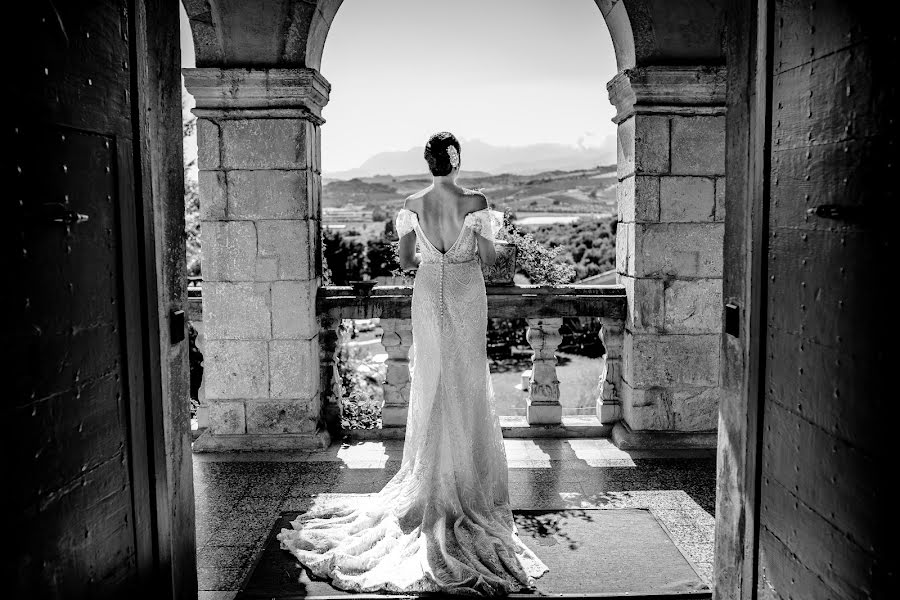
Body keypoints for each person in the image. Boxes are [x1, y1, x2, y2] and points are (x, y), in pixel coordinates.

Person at [278, 132, 548, 595]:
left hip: (428, 291)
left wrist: (432, 253)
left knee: (430, 381)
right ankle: (463, 481)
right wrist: (508, 247)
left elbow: (405, 259)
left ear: (429, 163)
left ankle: (430, 479)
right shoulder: (477, 200)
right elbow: (489, 259)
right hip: (465, 293)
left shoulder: (411, 202)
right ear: (457, 160)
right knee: (465, 383)